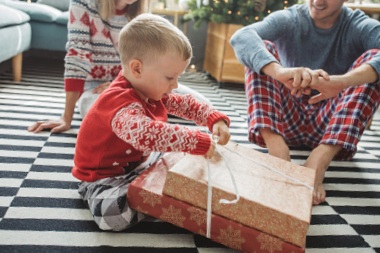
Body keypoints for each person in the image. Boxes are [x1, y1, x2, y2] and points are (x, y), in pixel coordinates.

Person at [71, 13, 231, 231]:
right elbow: (145, 134)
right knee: (111, 215)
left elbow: (186, 104)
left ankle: (154, 190)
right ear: (137, 69)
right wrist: (194, 140)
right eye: (169, 78)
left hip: (141, 164)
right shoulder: (118, 103)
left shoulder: (151, 91)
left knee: (175, 155)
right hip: (104, 180)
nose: (175, 85)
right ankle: (159, 196)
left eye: (178, 78)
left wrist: (215, 119)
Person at [230, 0, 380, 205]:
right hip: (285, 121)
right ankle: (278, 153)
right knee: (260, 51)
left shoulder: (358, 24)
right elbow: (241, 37)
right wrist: (280, 72)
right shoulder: (290, 18)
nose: (318, 1)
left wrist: (341, 82)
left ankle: (319, 160)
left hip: (331, 127)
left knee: (372, 64)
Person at [28, 0, 210, 134]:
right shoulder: (83, 4)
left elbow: (147, 64)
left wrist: (121, 81)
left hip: (138, 82)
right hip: (96, 88)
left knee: (205, 106)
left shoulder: (139, 12)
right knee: (108, 120)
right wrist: (66, 117)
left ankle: (146, 113)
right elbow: (78, 56)